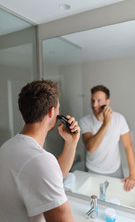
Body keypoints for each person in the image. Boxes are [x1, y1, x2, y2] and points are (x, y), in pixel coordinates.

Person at [0, 79, 80, 222]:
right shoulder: (40, 159)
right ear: (51, 112)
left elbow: (51, 177)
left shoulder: (7, 147)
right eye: (58, 108)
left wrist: (71, 143)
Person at [79, 85, 135, 191]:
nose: (95, 105)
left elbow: (128, 147)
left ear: (107, 101)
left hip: (115, 169)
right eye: (93, 100)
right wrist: (106, 123)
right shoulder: (84, 121)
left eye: (99, 101)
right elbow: (91, 147)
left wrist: (133, 175)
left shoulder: (119, 119)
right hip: (93, 169)